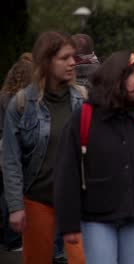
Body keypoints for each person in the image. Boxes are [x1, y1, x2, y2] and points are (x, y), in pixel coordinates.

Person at [54, 50, 134, 264]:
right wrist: (69, 223)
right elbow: (67, 172)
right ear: (119, 79)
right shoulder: (84, 117)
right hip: (97, 217)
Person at [2, 31, 86, 264]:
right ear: (47, 61)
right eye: (64, 57)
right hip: (37, 200)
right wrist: (15, 205)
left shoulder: (82, 100)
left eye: (73, 57)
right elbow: (11, 159)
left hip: (76, 201)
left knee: (81, 260)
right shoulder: (21, 103)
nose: (72, 63)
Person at [0, 52, 33, 252]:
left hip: (4, 146)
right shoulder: (24, 100)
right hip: (21, 147)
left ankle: (8, 235)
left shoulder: (3, 97)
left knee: (6, 191)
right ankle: (15, 237)